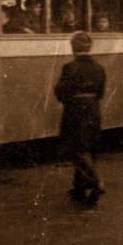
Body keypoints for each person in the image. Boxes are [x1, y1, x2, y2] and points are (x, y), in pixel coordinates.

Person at [53, 32, 107, 207]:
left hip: (75, 110)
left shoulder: (70, 68)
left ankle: (95, 182)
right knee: (89, 147)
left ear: (74, 48)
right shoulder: (99, 68)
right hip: (93, 108)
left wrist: (71, 100)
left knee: (76, 147)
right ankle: (79, 188)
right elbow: (100, 93)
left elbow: (60, 92)